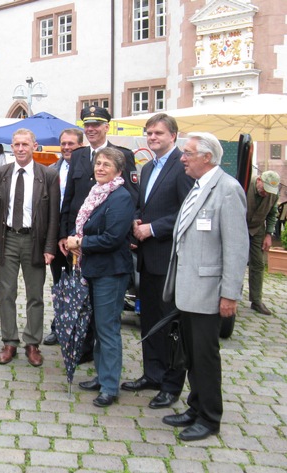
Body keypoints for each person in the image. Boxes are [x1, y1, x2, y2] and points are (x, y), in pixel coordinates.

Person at [162, 132, 248, 441]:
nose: (182, 158)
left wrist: (230, 294)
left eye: (188, 153)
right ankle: (195, 407)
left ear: (207, 158)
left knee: (206, 357)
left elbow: (237, 248)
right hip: (188, 290)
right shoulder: (199, 186)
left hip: (209, 292)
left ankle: (210, 418)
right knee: (192, 356)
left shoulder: (227, 189)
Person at [121, 114, 194, 409]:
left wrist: (152, 228)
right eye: (148, 133)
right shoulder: (148, 167)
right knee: (149, 321)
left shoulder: (183, 166)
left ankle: (171, 383)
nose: (152, 137)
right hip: (147, 258)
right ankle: (152, 373)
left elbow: (187, 211)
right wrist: (137, 220)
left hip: (169, 257)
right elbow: (144, 204)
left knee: (170, 325)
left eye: (158, 133)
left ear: (173, 136)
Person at [58, 106, 140, 363]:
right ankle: (84, 351)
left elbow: (132, 200)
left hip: (104, 244)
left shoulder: (122, 156)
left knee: (104, 314)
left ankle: (104, 362)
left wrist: (131, 236)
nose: (91, 129)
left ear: (107, 127)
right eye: (87, 125)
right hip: (77, 245)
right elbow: (70, 199)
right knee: (83, 304)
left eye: (97, 124)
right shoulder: (79, 156)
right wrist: (66, 235)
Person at [67, 147, 135, 407]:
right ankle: (101, 374)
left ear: (119, 170)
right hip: (93, 269)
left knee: (108, 329)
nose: (100, 168)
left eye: (107, 164)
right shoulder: (96, 193)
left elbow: (113, 238)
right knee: (97, 326)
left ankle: (110, 385)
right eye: (98, 164)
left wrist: (80, 241)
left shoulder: (121, 197)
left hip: (111, 272)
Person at [0, 129, 60, 367]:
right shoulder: (0, 174)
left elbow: (53, 216)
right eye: (16, 144)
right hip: (7, 238)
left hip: (34, 240)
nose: (20, 149)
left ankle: (32, 343)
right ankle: (9, 341)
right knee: (6, 293)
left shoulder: (47, 175)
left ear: (34, 146)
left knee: (35, 295)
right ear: (11, 146)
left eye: (25, 145)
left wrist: (49, 246)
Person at [44, 128, 84, 346]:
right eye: (64, 143)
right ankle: (59, 327)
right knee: (60, 284)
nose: (67, 147)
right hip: (57, 237)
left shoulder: (88, 168)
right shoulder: (52, 170)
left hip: (79, 238)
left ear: (80, 145)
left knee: (78, 285)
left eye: (71, 144)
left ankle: (78, 328)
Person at [246, 170, 280, 315]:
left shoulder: (272, 194)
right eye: (264, 189)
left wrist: (268, 234)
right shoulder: (245, 184)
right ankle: (232, 296)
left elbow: (272, 214)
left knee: (258, 264)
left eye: (269, 191)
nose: (266, 193)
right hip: (239, 227)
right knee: (236, 262)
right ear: (259, 180)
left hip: (258, 229)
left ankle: (256, 300)